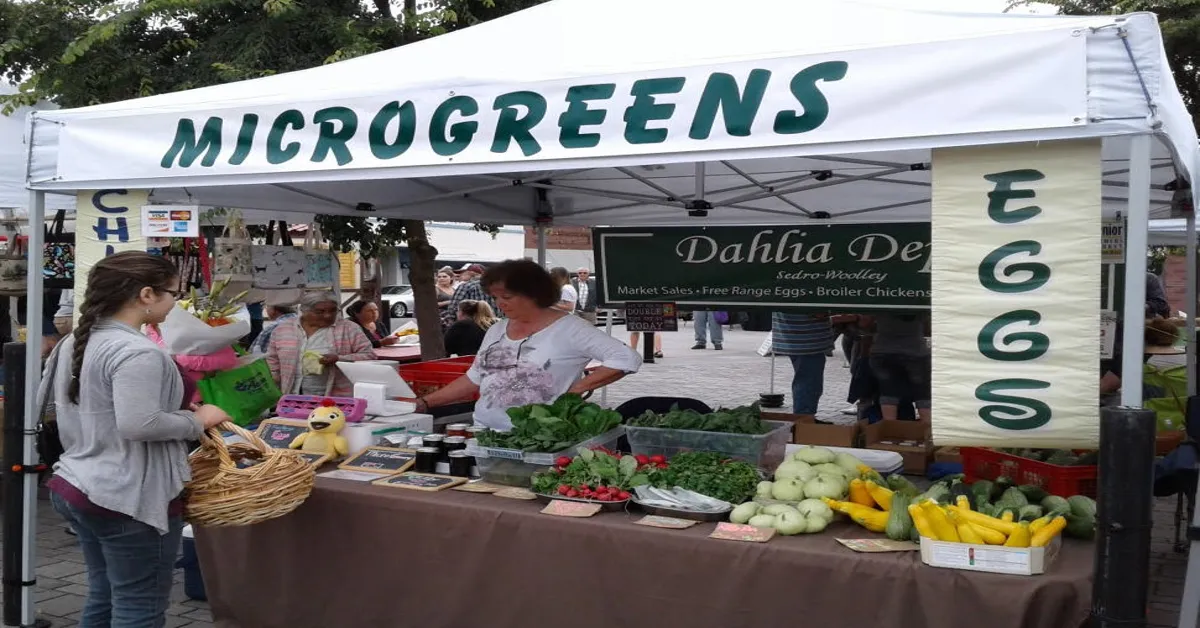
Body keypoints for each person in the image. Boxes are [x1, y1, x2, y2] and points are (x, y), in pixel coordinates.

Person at [41, 251, 232, 627]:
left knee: (106, 593)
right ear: (146, 294)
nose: (175, 302)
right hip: (127, 497)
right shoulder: (137, 351)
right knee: (138, 606)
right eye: (172, 293)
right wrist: (199, 420)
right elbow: (139, 425)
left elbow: (57, 405)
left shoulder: (75, 342)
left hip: (78, 483)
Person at [413, 259, 641, 430]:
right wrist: (425, 402)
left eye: (508, 297)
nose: (500, 304)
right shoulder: (497, 329)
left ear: (535, 293)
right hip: (483, 430)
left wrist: (573, 393)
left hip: (539, 436)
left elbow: (626, 358)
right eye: (496, 297)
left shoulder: (571, 328)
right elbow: (475, 377)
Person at [266, 291, 376, 396]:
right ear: (304, 311)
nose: (328, 315)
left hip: (335, 398)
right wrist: (274, 384)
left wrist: (339, 359)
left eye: (333, 311)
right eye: (320, 312)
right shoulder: (283, 329)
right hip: (291, 395)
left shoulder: (348, 328)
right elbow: (272, 360)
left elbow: (369, 355)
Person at [862, 313, 931, 422]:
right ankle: (927, 431)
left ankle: (891, 430)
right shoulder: (919, 300)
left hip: (883, 351)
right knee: (923, 394)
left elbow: (864, 323)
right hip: (916, 352)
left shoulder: (881, 299)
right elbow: (928, 327)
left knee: (888, 392)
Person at [772, 312, 834, 419]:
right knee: (808, 382)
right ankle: (804, 421)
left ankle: (805, 419)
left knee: (807, 380)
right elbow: (819, 312)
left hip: (798, 336)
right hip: (806, 339)